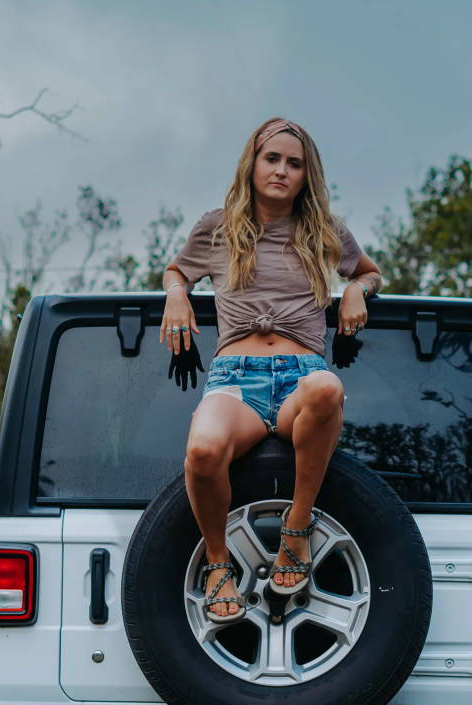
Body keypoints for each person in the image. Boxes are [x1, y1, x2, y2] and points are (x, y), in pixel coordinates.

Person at [161, 117, 383, 622]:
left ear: (307, 175)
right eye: (272, 159)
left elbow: (369, 272)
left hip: (299, 378)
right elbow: (177, 270)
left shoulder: (325, 231)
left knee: (327, 386)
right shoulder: (216, 228)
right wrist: (178, 294)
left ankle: (296, 531)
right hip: (235, 379)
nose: (282, 170)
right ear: (253, 164)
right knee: (201, 448)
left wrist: (353, 290)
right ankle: (218, 565)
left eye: (294, 163)